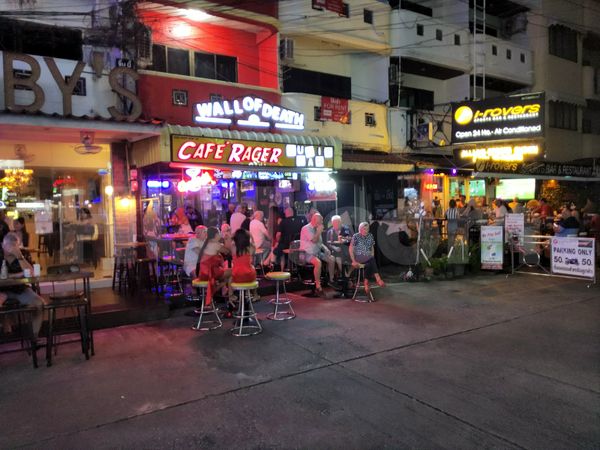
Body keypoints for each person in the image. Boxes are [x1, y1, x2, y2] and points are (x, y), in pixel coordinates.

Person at [0, 232, 44, 336]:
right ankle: (7, 330)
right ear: (2, 245)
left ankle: (34, 336)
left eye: (14, 246)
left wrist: (20, 257)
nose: (10, 249)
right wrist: (16, 275)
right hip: (2, 290)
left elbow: (31, 274)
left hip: (20, 289)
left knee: (39, 303)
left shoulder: (21, 255)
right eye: (8, 246)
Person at [300, 213, 335, 293]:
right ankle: (318, 285)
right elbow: (314, 240)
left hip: (317, 252)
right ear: (314, 220)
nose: (322, 223)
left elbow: (319, 242)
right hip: (306, 253)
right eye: (320, 221)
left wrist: (325, 248)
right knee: (318, 262)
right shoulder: (306, 228)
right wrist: (319, 231)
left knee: (332, 259)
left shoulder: (316, 228)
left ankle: (331, 280)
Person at [197, 227, 232, 305]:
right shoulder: (216, 244)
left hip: (202, 272)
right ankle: (230, 297)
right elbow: (228, 251)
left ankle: (218, 289)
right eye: (219, 233)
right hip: (211, 272)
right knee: (233, 271)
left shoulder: (206, 243)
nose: (220, 235)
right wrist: (228, 239)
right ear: (216, 235)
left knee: (226, 273)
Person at [349, 222, 385, 294]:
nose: (366, 231)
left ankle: (366, 282)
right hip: (358, 258)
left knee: (370, 262)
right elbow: (350, 249)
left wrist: (372, 255)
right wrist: (353, 261)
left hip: (368, 259)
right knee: (371, 259)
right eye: (364, 229)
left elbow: (372, 247)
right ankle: (377, 279)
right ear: (360, 229)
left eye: (367, 229)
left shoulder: (370, 236)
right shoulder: (356, 236)